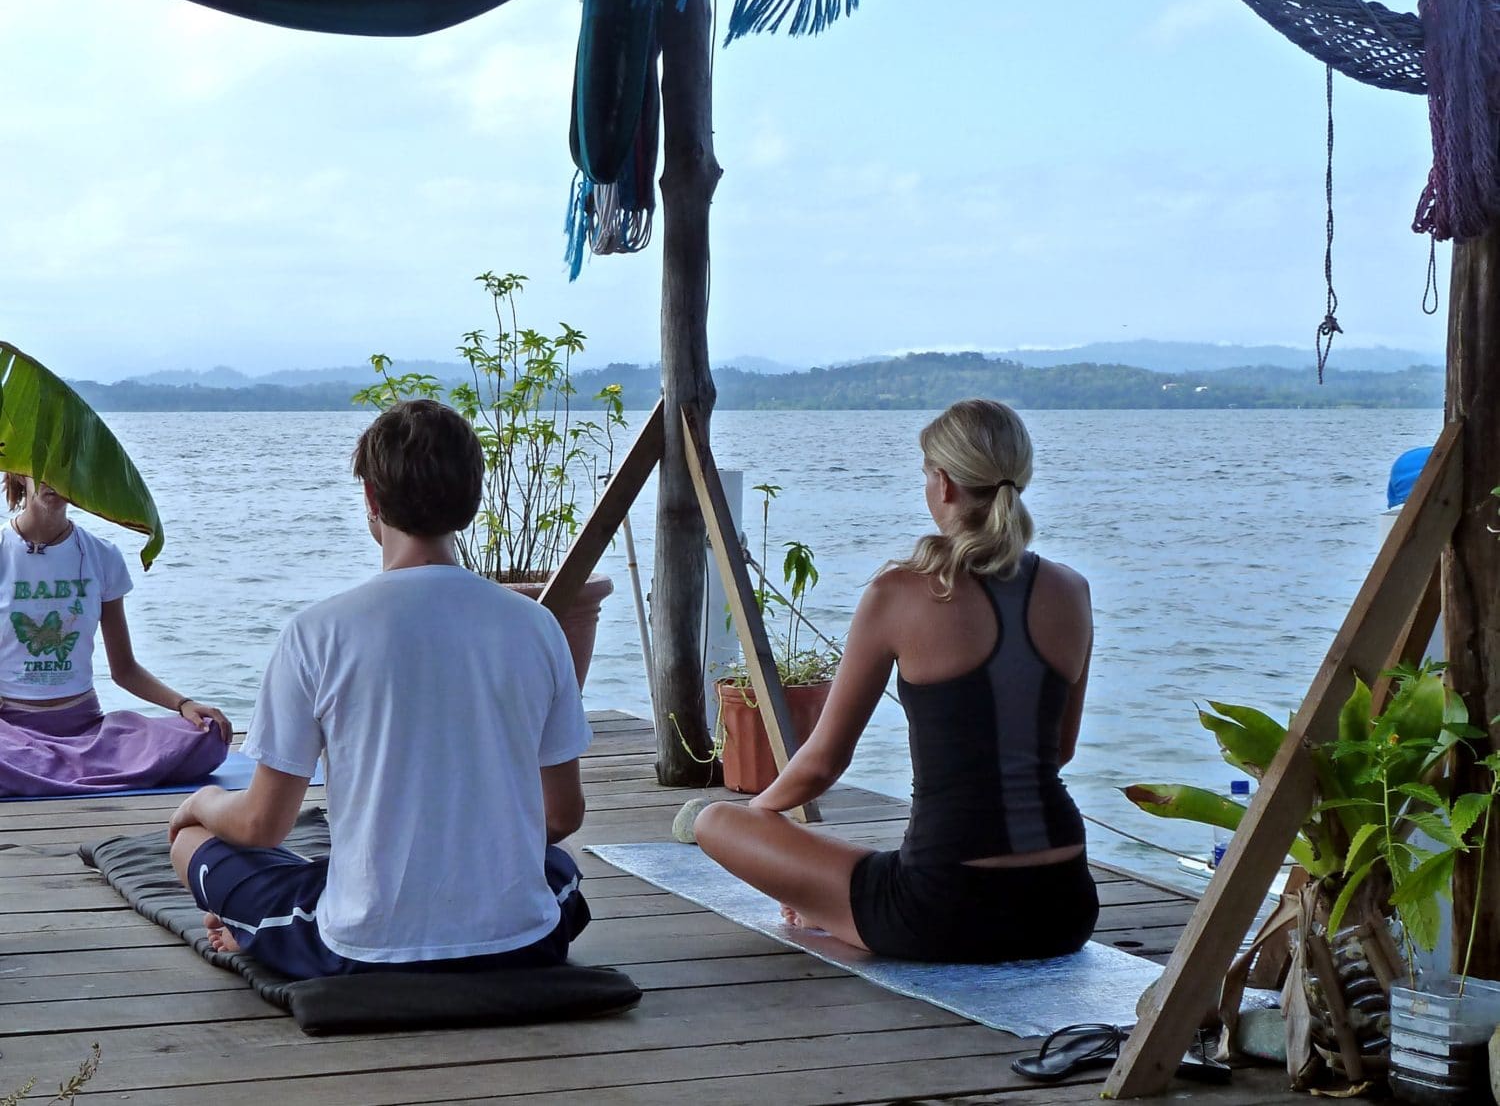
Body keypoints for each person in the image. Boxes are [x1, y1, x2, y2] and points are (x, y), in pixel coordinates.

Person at [167, 399, 592, 979]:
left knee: (193, 842)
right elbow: (562, 814)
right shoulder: (536, 625)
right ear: (471, 500)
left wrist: (200, 802)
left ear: (371, 499)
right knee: (558, 870)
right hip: (521, 942)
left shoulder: (317, 633)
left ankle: (259, 930)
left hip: (365, 948)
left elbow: (262, 826)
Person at [695, 398, 1098, 963]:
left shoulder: (900, 592)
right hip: (1064, 907)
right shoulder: (1072, 590)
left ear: (946, 484)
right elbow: (1059, 750)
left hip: (941, 912)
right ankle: (833, 901)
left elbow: (822, 763)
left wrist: (756, 819)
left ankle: (828, 906)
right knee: (878, 861)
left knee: (716, 822)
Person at [0, 474, 231, 797]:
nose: (52, 479)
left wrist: (185, 704)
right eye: (40, 468)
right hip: (10, 731)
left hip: (86, 730)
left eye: (63, 468)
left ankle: (47, 771)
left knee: (208, 736)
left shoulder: (102, 555)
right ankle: (64, 770)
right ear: (17, 475)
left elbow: (125, 670)